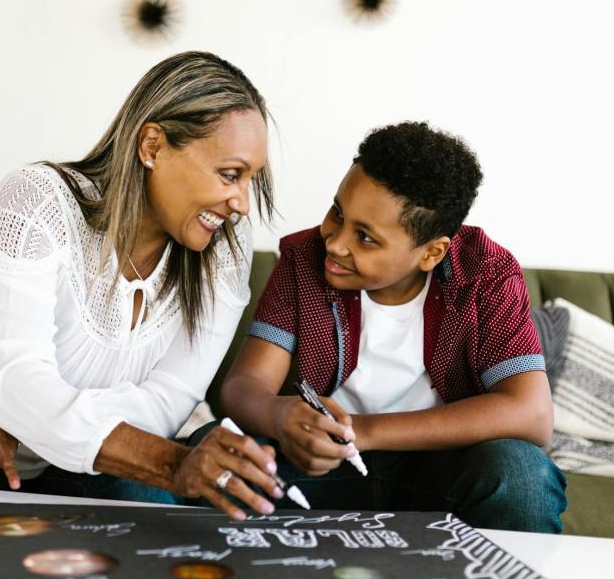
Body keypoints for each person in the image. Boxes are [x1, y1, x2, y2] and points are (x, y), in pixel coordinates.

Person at [0, 51, 284, 521]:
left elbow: (168, 402)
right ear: (152, 146)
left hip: (118, 430)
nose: (243, 204)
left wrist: (23, 417)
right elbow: (12, 378)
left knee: (150, 510)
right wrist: (15, 406)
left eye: (251, 179)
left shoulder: (226, 248)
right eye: (231, 175)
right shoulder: (37, 200)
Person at [216, 121, 567, 532]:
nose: (335, 243)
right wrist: (281, 417)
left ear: (431, 253)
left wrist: (362, 431)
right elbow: (243, 386)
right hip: (322, 469)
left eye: (365, 237)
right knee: (218, 452)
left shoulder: (486, 275)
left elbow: (532, 413)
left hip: (439, 472)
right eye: (338, 213)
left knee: (520, 474)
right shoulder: (302, 262)